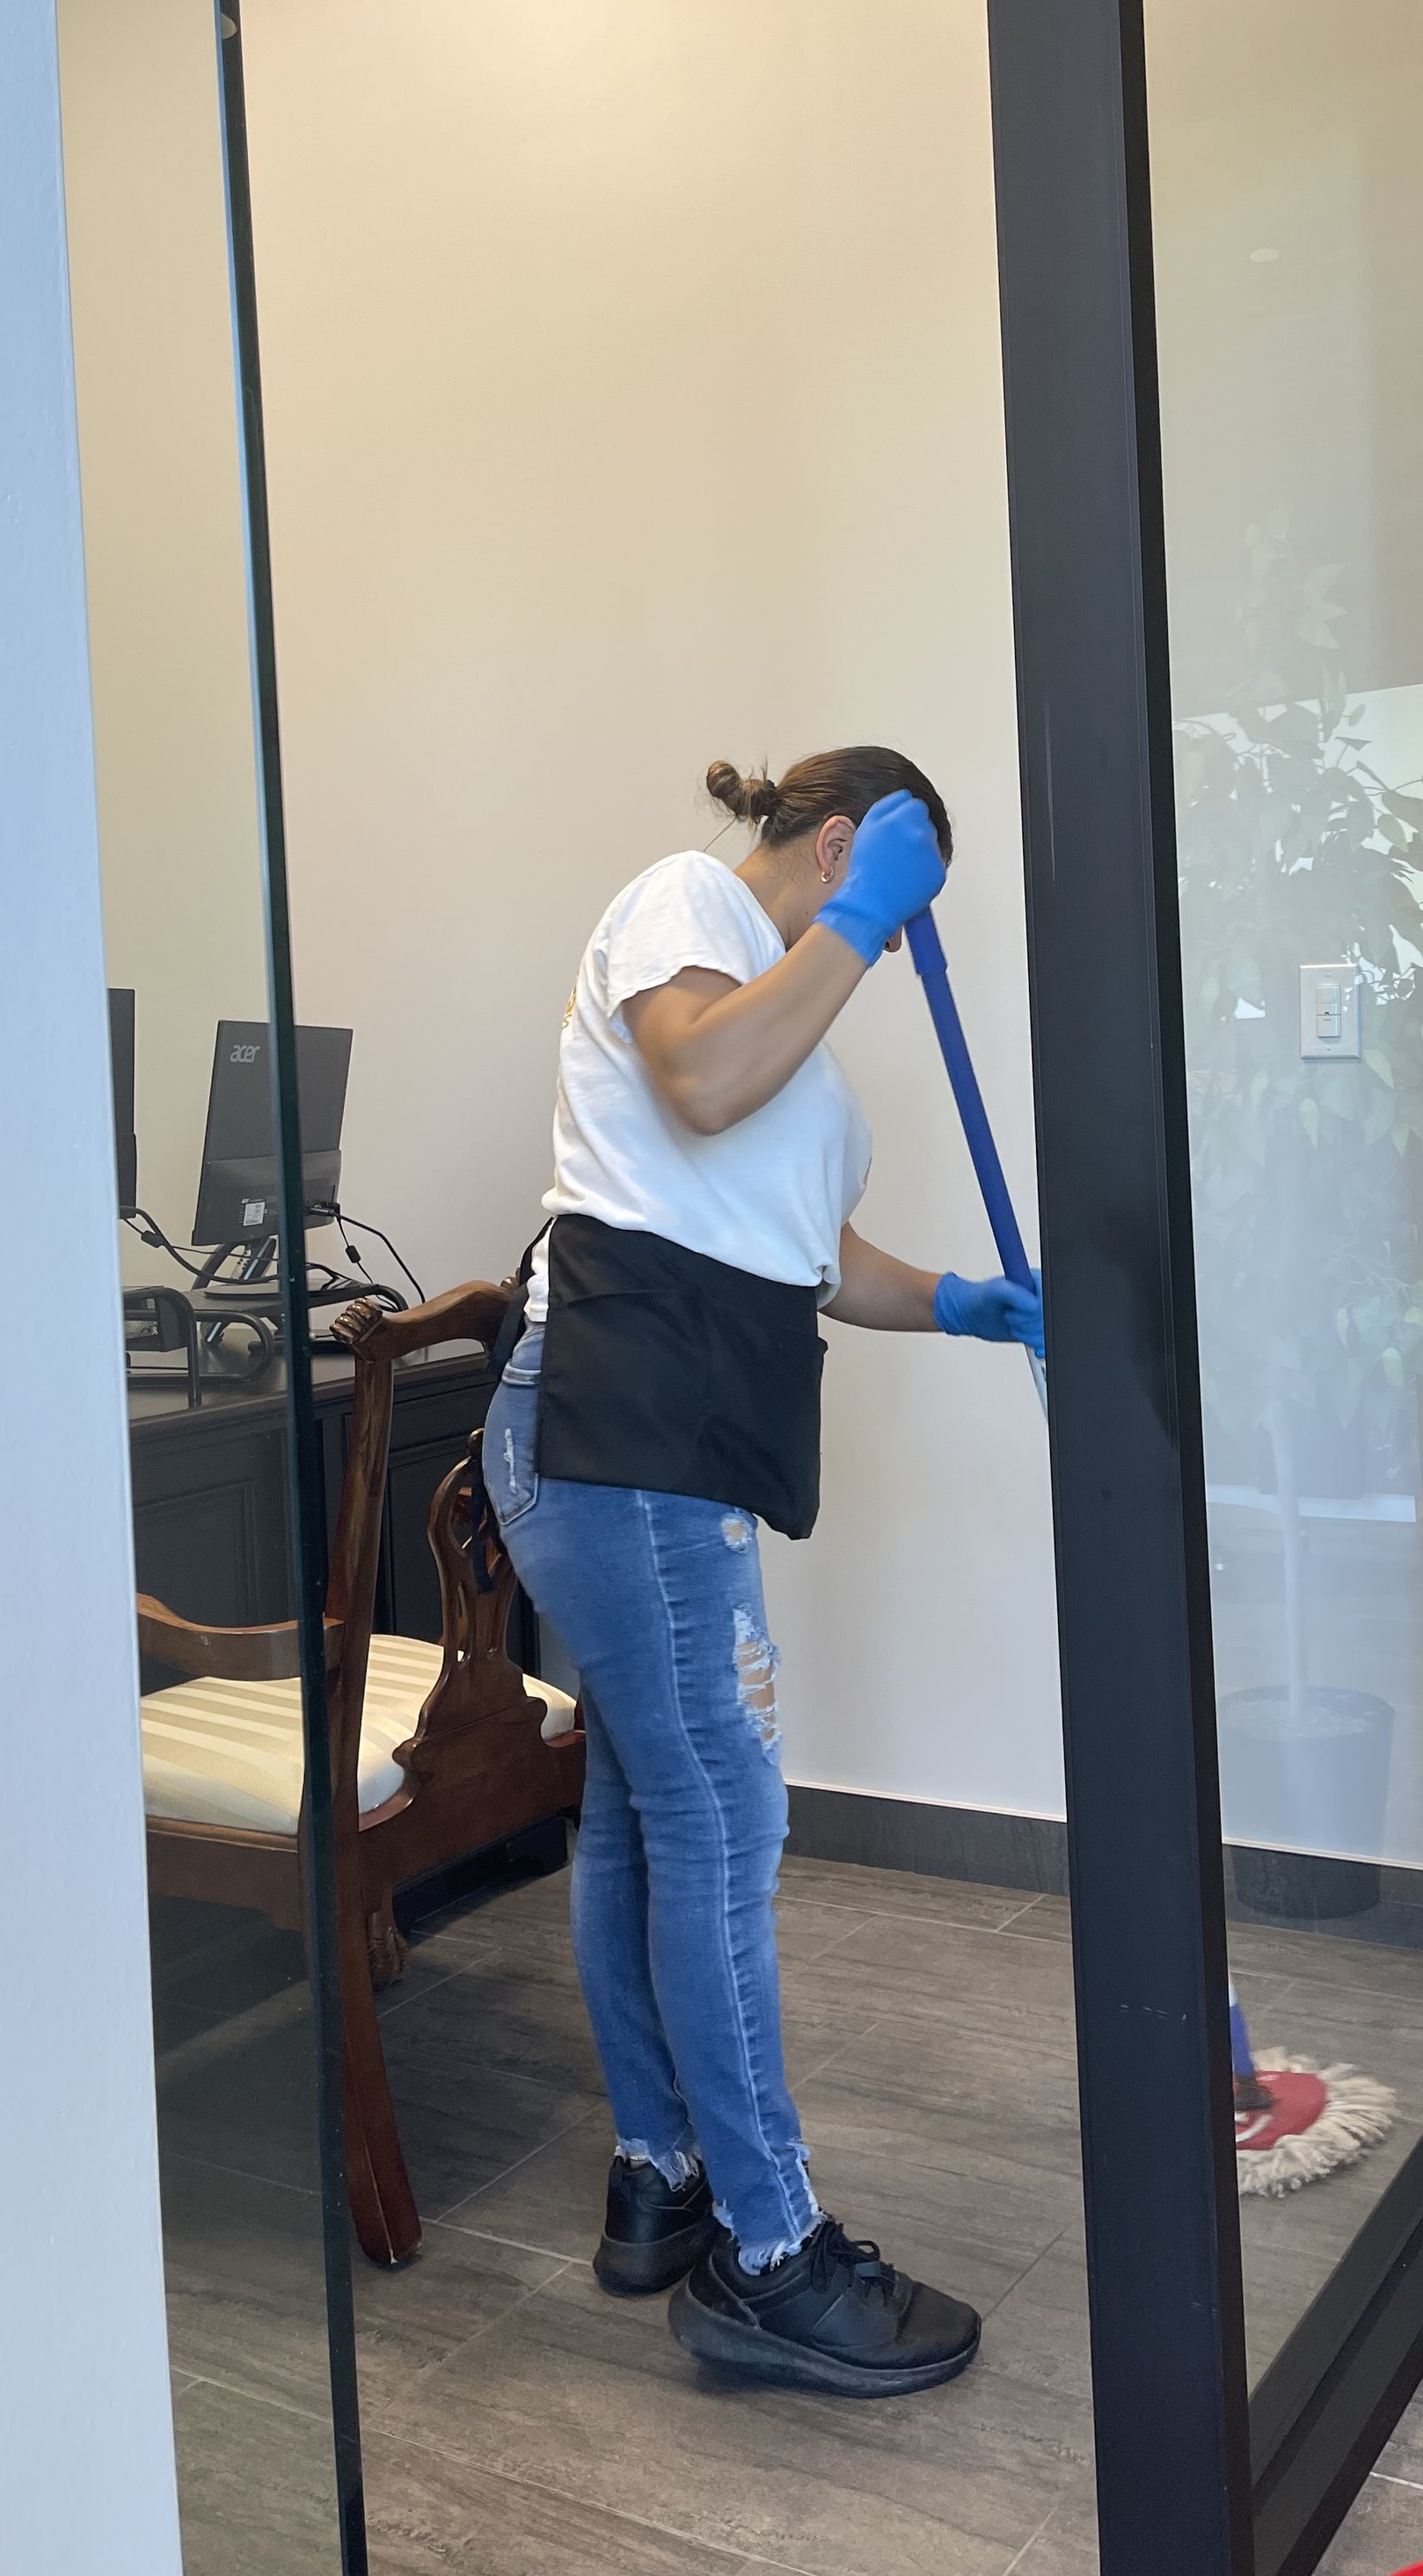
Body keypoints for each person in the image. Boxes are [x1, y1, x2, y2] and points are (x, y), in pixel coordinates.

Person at [483, 747, 1042, 2399]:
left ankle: (660, 2177)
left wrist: (956, 1303)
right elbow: (700, 1081)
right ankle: (773, 2252)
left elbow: (805, 1253)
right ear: (843, 840)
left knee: (645, 1809)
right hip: (619, 1430)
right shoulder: (689, 903)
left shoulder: (793, 1020)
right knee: (726, 1815)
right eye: (900, 887)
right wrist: (863, 926)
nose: (901, 929)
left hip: (662, 1445)